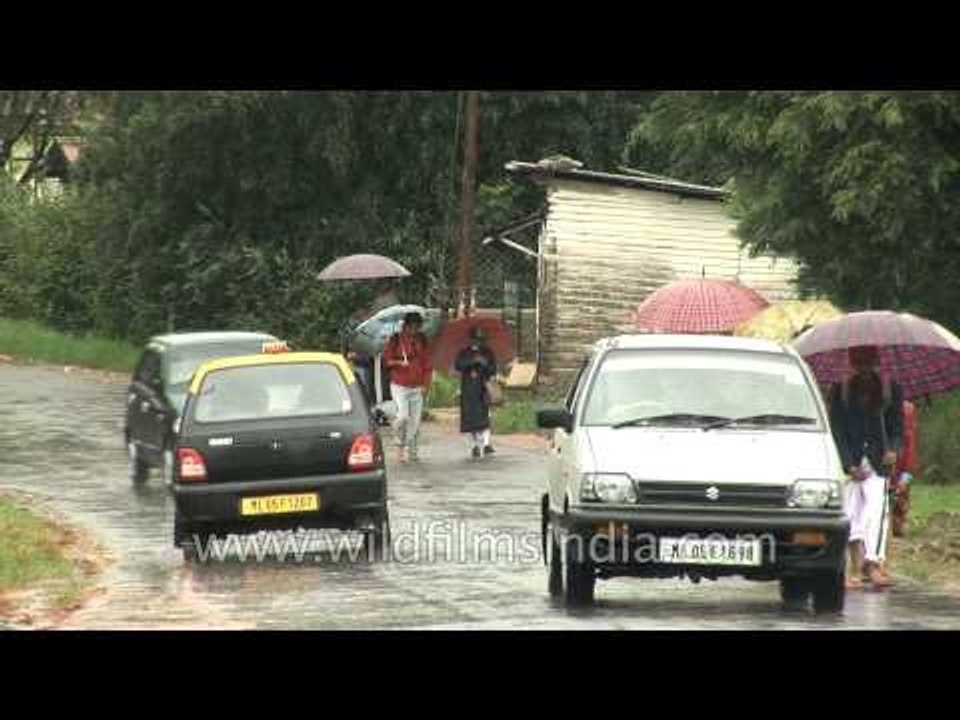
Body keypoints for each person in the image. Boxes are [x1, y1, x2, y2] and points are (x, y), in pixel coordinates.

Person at [828, 345, 904, 590]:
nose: (864, 370)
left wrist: (893, 450)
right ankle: (853, 567)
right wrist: (848, 464)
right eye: (859, 364)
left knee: (876, 513)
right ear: (852, 364)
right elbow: (837, 430)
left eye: (868, 364)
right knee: (850, 514)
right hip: (850, 462)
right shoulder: (839, 391)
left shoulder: (891, 390)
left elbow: (897, 429)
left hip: (879, 461)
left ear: (876, 363)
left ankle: (874, 564)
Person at [383, 311, 432, 462]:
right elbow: (387, 361)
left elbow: (427, 365)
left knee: (415, 422)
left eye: (417, 327)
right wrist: (399, 363)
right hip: (399, 385)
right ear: (405, 325)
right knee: (403, 416)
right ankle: (399, 448)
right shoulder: (395, 339)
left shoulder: (422, 340)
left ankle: (413, 451)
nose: (414, 330)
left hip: (417, 386)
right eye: (411, 326)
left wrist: (426, 385)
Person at [454, 327, 498, 459]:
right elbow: (458, 365)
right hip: (468, 389)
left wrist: (484, 363)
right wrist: (473, 361)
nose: (478, 342)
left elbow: (493, 369)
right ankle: (475, 445)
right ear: (471, 339)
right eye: (476, 339)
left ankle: (486, 444)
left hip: (483, 388)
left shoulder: (488, 352)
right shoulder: (464, 352)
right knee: (471, 419)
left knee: (485, 416)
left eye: (480, 339)